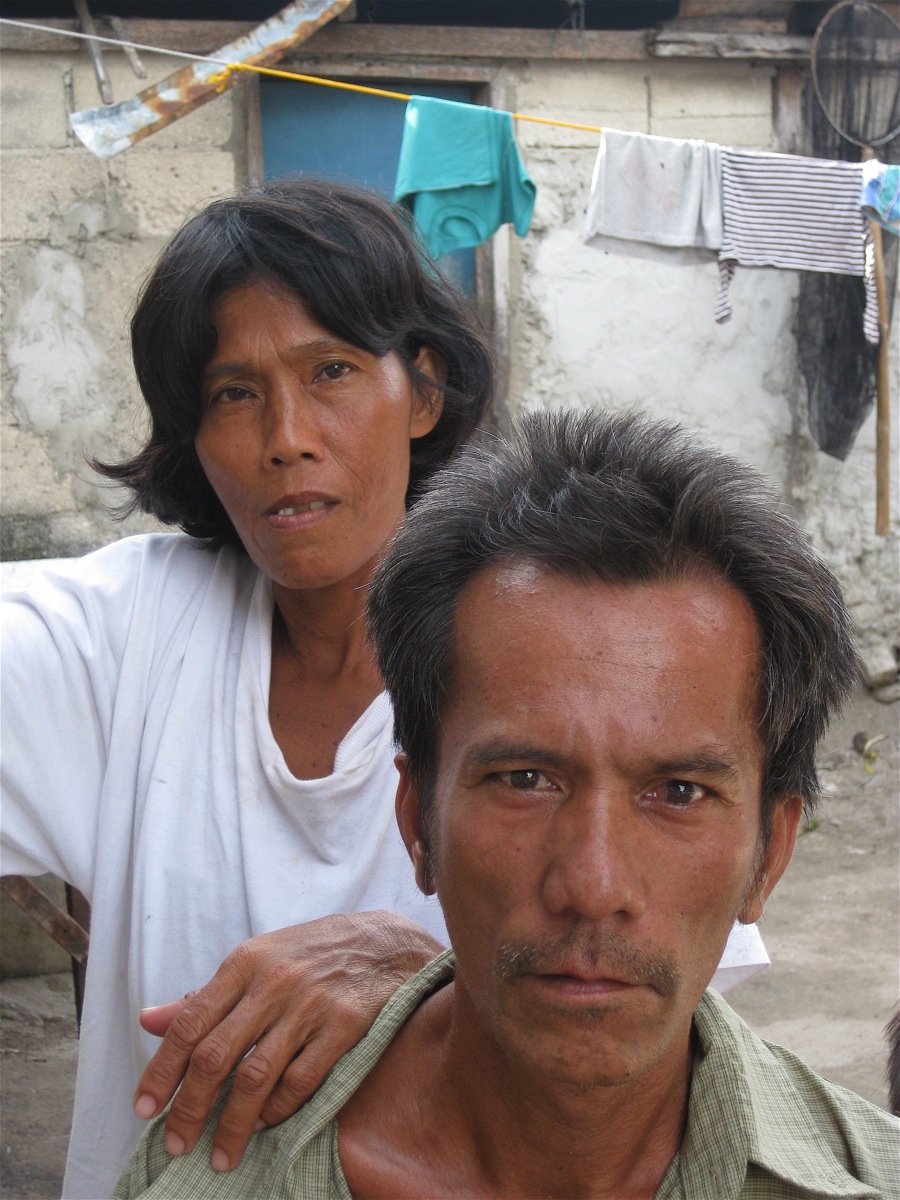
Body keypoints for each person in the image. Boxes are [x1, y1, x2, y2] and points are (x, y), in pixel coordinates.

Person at [115, 409, 897, 1200]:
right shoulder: (204, 1177)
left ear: (770, 852)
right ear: (417, 820)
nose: (593, 886)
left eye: (680, 793)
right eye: (526, 779)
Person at [0, 177, 493, 1199]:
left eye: (333, 371)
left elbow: (655, 1008)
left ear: (426, 391)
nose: (285, 436)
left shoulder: (534, 652)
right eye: (234, 393)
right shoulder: (126, 633)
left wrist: (423, 976)